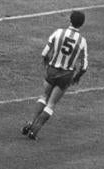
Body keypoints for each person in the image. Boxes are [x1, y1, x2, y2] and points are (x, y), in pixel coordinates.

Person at [21, 10, 88, 140]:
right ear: (82, 24)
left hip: (52, 70)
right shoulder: (82, 41)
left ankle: (30, 122)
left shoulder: (58, 33)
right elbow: (84, 66)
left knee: (44, 96)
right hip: (66, 75)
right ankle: (35, 131)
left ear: (70, 20)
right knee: (51, 103)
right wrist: (76, 78)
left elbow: (44, 53)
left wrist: (47, 66)